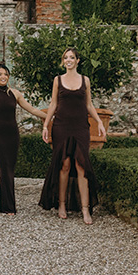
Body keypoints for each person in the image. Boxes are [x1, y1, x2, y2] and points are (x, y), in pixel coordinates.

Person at [39, 47, 106, 224]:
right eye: (66, 58)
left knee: (81, 165)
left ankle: (85, 209)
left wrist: (99, 121)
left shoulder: (85, 80)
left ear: (77, 61)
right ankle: (61, 204)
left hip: (80, 127)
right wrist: (46, 125)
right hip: (61, 126)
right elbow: (53, 104)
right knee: (65, 165)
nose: (68, 60)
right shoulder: (57, 80)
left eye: (72, 57)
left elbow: (89, 104)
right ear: (63, 61)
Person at [0, 62, 46, 214]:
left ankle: (3, 204)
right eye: (0, 74)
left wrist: (50, 116)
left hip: (12, 135)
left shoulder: (15, 94)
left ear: (8, 76)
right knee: (4, 169)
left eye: (5, 74)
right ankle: (8, 206)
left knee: (9, 169)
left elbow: (32, 109)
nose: (3, 77)